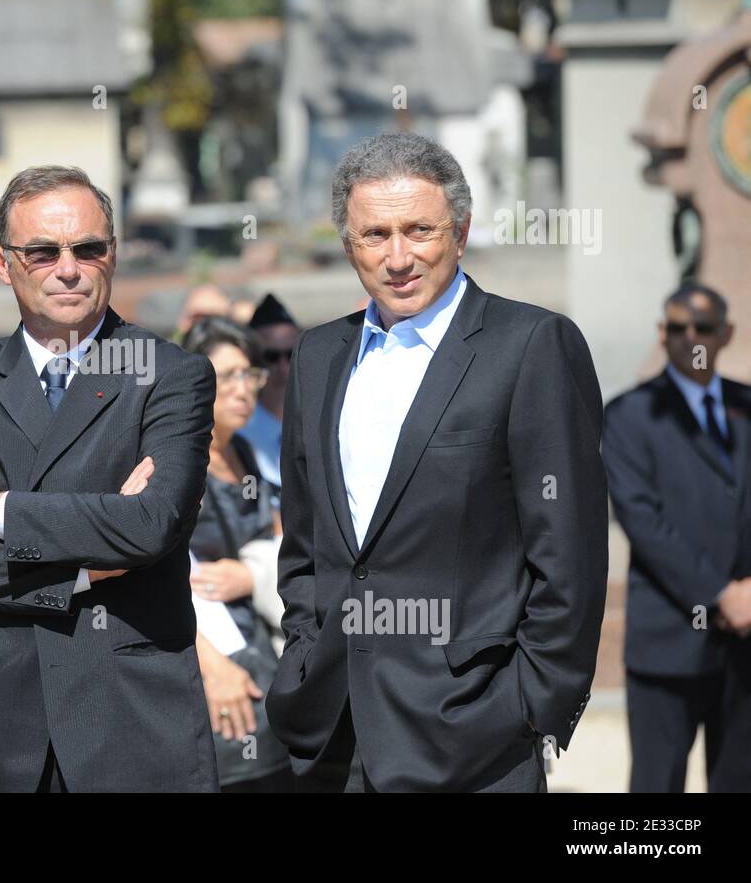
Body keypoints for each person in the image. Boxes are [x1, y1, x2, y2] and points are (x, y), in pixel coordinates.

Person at [266, 132, 609, 792]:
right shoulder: (317, 355)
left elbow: (570, 552)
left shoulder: (531, 345)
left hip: (475, 738)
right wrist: (304, 657)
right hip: (333, 732)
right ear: (347, 245)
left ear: (461, 229)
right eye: (375, 235)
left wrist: (527, 703)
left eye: (419, 229)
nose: (399, 256)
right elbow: (305, 542)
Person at [0, 165, 218, 792]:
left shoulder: (170, 375)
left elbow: (150, 525)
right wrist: (77, 573)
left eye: (88, 248)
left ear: (113, 254)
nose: (68, 268)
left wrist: (1, 514)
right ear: (4, 263)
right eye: (43, 252)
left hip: (131, 724)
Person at [602, 282, 751, 792]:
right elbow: (643, 522)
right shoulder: (627, 416)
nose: (690, 338)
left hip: (745, 646)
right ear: (662, 335)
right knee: (656, 793)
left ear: (725, 334)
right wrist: (722, 594)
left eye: (702, 328)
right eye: (676, 328)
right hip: (669, 641)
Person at [182, 316, 293, 792]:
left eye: (250, 374)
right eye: (226, 375)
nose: (243, 388)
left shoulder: (246, 453)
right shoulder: (174, 463)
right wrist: (211, 667)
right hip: (209, 666)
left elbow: (286, 539)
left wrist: (253, 574)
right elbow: (148, 579)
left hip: (265, 656)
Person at [240, 294, 300, 490]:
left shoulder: (318, 420)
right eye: (271, 356)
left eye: (291, 354)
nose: (283, 367)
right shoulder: (238, 430)